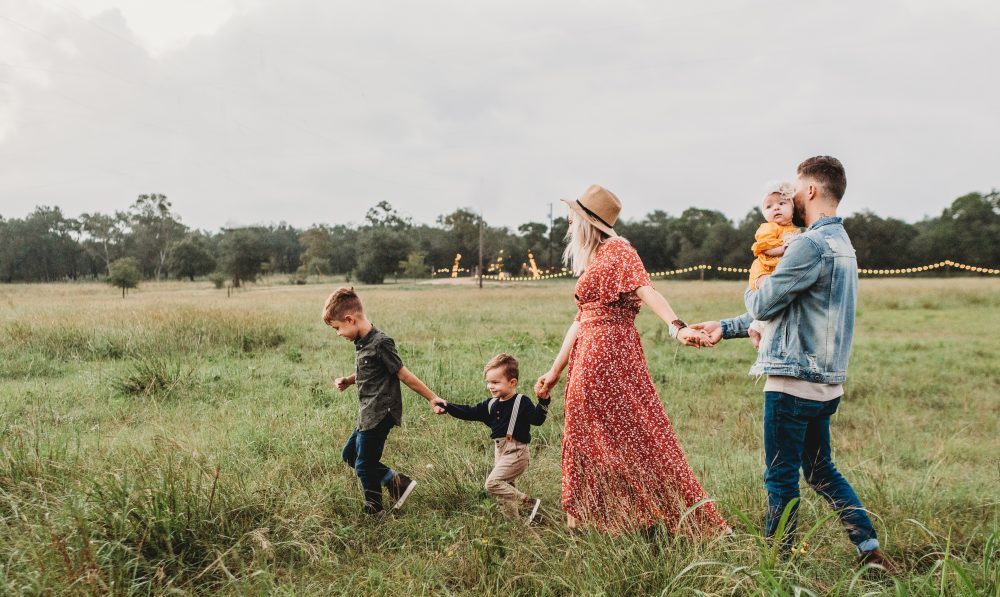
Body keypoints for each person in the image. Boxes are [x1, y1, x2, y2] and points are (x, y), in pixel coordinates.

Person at [692, 156, 897, 572]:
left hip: (792, 382)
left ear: (811, 190)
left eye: (796, 190)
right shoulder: (842, 244)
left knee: (780, 476)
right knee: (821, 471)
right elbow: (790, 309)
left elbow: (764, 304)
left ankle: (777, 564)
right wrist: (726, 327)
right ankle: (870, 551)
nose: (790, 198)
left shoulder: (808, 245)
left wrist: (757, 278)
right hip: (826, 384)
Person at [534, 184, 729, 535]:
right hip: (589, 352)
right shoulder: (596, 258)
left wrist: (677, 327)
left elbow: (646, 289)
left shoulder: (619, 250)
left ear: (588, 222)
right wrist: (554, 371)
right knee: (588, 434)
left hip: (608, 354)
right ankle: (594, 520)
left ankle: (651, 516)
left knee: (635, 434)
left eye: (573, 216)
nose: (568, 222)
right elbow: (580, 319)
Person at [323, 287, 446, 516]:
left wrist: (432, 397)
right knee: (350, 455)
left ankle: (374, 510)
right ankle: (397, 483)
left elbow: (403, 374)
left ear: (350, 319)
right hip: (367, 413)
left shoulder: (381, 342)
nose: (338, 333)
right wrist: (349, 380)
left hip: (381, 413)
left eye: (337, 328)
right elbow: (369, 371)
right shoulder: (362, 342)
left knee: (364, 464)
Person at [437, 353, 550, 523]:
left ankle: (528, 503)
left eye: (495, 382)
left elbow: (537, 420)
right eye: (488, 382)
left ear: (512, 382)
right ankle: (514, 525)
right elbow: (469, 412)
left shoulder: (521, 401)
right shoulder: (490, 404)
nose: (490, 386)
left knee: (493, 483)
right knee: (505, 490)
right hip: (500, 451)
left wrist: (543, 402)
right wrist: (447, 407)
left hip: (517, 452)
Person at [747, 181, 801, 344]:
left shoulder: (794, 229)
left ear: (793, 208)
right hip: (764, 270)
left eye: (782, 204)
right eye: (769, 206)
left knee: (778, 297)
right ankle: (762, 329)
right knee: (770, 294)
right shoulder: (769, 227)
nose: (776, 208)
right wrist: (783, 249)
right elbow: (765, 248)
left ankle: (755, 326)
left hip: (776, 270)